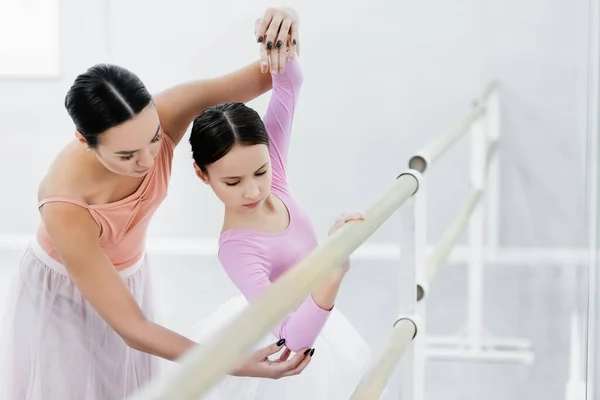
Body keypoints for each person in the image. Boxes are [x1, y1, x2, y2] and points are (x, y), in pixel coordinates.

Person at [0, 7, 315, 400]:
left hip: (130, 276)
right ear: (85, 141)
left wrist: (285, 25)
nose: (149, 161)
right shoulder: (65, 204)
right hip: (61, 294)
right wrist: (230, 361)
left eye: (153, 139)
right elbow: (133, 329)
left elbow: (271, 73)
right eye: (128, 155)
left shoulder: (168, 110)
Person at [187, 33, 381, 399]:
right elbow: (291, 338)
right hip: (291, 337)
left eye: (261, 172)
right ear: (202, 174)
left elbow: (289, 83)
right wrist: (333, 268)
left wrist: (283, 29)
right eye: (232, 181)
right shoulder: (236, 249)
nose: (253, 190)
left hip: (324, 325)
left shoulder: (272, 161)